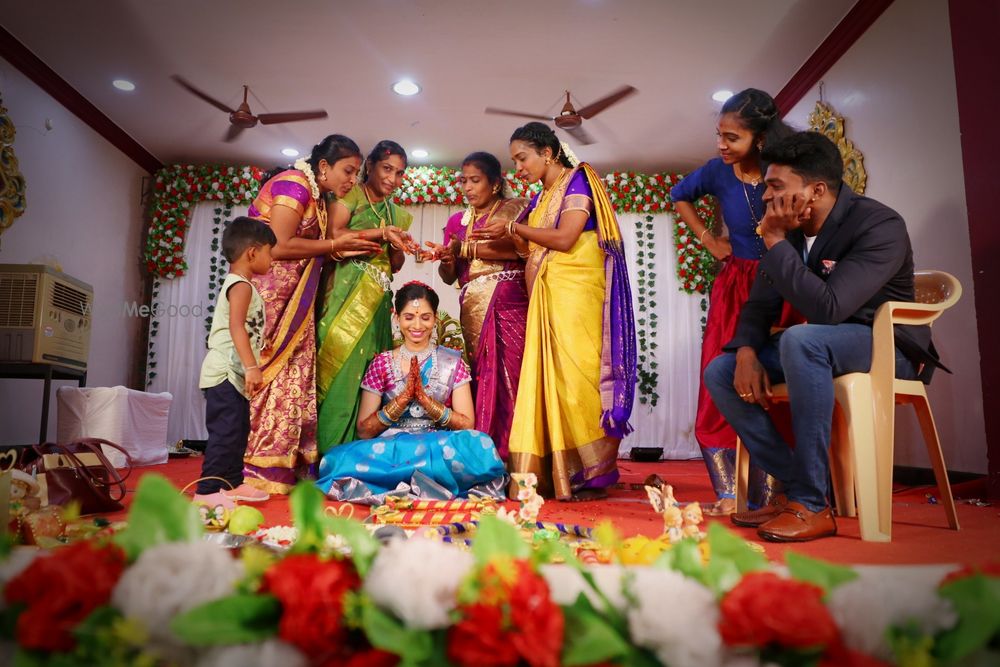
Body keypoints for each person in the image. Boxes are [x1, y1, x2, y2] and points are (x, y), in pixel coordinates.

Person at [704, 131, 943, 542]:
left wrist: (775, 241)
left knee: (803, 339)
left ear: (814, 190)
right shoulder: (792, 232)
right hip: (826, 343)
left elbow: (829, 308)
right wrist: (745, 351)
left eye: (776, 187)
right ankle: (801, 485)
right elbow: (760, 304)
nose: (765, 197)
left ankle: (811, 504)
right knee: (720, 372)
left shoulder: (878, 223)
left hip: (888, 344)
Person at [472, 122, 636, 501]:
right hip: (548, 297)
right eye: (514, 162)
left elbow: (564, 239)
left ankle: (592, 472)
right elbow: (528, 245)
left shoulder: (578, 181)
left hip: (575, 294)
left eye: (523, 158)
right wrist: (504, 234)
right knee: (552, 381)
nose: (519, 169)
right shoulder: (543, 196)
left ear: (547, 153)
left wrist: (515, 227)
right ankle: (554, 474)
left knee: (578, 379)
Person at [670, 88, 796, 515]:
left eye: (732, 138)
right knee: (719, 380)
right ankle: (729, 493)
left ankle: (779, 490)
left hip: (786, 287)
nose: (721, 145)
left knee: (777, 386)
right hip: (736, 288)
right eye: (718, 135)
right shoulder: (716, 172)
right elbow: (679, 196)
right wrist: (709, 239)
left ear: (760, 140)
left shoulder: (785, 173)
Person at [243, 135, 383, 494]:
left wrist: (369, 237)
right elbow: (279, 244)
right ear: (324, 166)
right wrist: (336, 245)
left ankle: (288, 466)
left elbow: (319, 246)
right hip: (272, 296)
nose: (352, 181)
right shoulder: (294, 184)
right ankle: (261, 468)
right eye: (348, 171)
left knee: (295, 379)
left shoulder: (320, 197)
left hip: (299, 299)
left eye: (355, 173)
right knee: (272, 378)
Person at [315, 282, 508, 503]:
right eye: (409, 317)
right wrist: (402, 400)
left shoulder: (452, 362)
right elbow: (365, 431)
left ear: (435, 318)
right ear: (396, 318)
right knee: (335, 458)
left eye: (425, 317)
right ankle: (425, 478)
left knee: (479, 443)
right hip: (392, 447)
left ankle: (398, 480)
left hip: (438, 444)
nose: (417, 325)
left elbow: (467, 424)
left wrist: (426, 402)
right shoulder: (382, 363)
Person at [426, 151, 529, 459]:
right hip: (472, 304)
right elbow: (449, 275)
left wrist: (464, 248)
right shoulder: (457, 221)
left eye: (475, 180)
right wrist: (447, 258)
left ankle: (520, 455)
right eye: (463, 181)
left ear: (495, 184)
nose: (468, 188)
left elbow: (522, 248)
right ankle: (487, 453)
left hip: (510, 300)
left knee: (515, 374)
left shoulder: (516, 208)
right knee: (484, 375)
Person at [316, 140, 417, 450]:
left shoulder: (397, 214)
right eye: (387, 169)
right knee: (342, 370)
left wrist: (400, 246)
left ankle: (363, 455)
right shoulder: (351, 194)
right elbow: (335, 234)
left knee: (372, 374)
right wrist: (380, 233)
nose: (392, 178)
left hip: (378, 303)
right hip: (344, 294)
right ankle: (329, 453)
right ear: (369, 166)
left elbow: (394, 265)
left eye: (399, 173)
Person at [194, 217, 276, 505]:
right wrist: (252, 366)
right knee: (225, 433)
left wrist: (259, 345)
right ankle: (206, 492)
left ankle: (231, 484)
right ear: (252, 252)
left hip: (234, 375)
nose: (272, 259)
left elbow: (245, 328)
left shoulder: (242, 284)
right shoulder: (240, 285)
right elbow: (236, 327)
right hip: (225, 373)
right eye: (269, 252)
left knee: (238, 430)